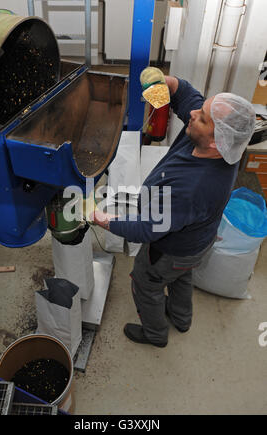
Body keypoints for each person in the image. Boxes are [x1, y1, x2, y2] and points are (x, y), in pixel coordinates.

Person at [91, 67, 256, 348]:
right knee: (181, 276)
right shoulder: (216, 141)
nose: (193, 114)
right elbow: (186, 96)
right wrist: (166, 82)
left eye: (202, 118)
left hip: (171, 249)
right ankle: (181, 318)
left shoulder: (193, 187)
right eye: (201, 110)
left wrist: (103, 219)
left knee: (146, 282)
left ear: (217, 142)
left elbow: (145, 229)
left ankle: (155, 334)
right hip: (196, 244)